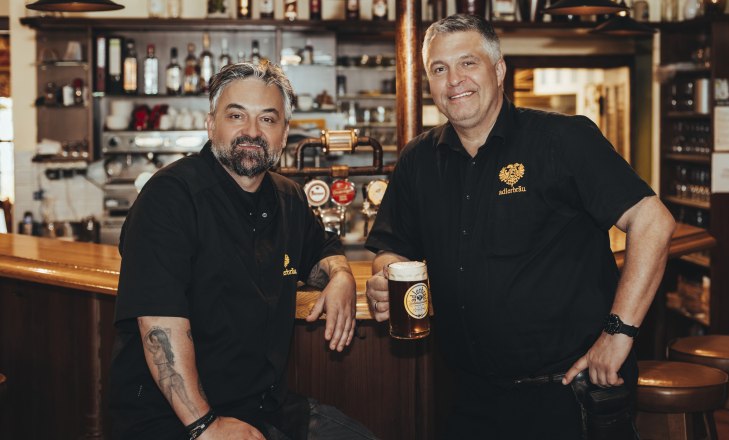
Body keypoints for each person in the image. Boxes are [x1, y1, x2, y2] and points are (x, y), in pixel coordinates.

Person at [365, 14, 677, 439]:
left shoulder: (562, 140)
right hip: (467, 395)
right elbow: (392, 245)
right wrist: (386, 274)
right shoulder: (418, 160)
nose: (454, 79)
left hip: (568, 393)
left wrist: (618, 333)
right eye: (439, 69)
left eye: (468, 63)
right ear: (429, 83)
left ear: (498, 70)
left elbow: (653, 220)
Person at [110, 61, 377, 440]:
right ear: (210, 124)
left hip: (262, 407)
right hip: (174, 419)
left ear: (284, 134)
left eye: (268, 120)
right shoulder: (170, 196)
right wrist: (204, 425)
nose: (251, 131)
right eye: (237, 115)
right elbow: (159, 327)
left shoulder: (288, 196)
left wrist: (341, 275)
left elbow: (321, 251)